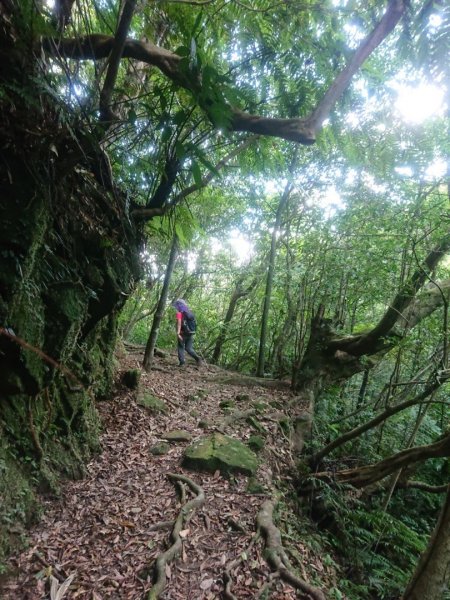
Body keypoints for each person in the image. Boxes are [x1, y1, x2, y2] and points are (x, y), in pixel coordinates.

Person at [172, 299, 202, 367]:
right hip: (191, 332)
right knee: (189, 348)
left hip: (183, 333)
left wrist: (178, 333)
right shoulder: (190, 312)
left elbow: (179, 324)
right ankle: (198, 358)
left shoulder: (179, 313)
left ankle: (182, 362)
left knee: (181, 347)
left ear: (178, 306)